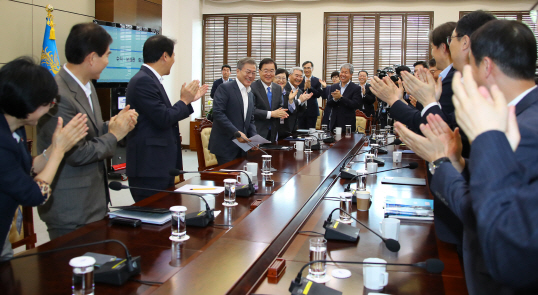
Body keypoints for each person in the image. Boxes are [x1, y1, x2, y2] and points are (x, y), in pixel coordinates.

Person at [395, 20, 538, 294]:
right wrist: (458, 161)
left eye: (467, 66)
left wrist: (443, 163)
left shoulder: (525, 129)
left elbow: (507, 233)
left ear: (485, 67)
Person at [37, 23, 138, 239]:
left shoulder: (87, 85)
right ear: (92, 58)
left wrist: (112, 124)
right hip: (71, 208)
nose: (108, 62)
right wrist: (114, 134)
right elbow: (76, 152)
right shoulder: (58, 95)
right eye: (107, 55)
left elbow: (89, 130)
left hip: (93, 202)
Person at [0, 57, 88, 259]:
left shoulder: (16, 127)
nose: (51, 108)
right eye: (48, 103)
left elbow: (25, 168)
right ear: (27, 102)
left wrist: (52, 150)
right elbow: (35, 195)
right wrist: (58, 151)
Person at [125, 35, 207, 202]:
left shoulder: (150, 79)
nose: (174, 60)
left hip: (159, 165)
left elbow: (163, 114)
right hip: (149, 167)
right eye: (173, 55)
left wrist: (188, 101)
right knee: (152, 215)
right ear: (165, 56)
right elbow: (163, 118)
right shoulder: (143, 81)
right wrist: (184, 101)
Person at [209, 57, 259, 165]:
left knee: (242, 178)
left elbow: (250, 119)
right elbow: (218, 113)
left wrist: (254, 138)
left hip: (242, 147)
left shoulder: (250, 94)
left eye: (253, 73)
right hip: (225, 145)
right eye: (248, 72)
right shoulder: (225, 88)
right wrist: (235, 133)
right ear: (238, 71)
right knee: (229, 179)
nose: (251, 76)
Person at [251, 58, 288, 142]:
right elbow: (251, 110)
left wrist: (281, 112)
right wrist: (271, 114)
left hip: (273, 132)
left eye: (271, 71)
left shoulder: (277, 87)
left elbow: (279, 105)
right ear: (259, 71)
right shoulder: (252, 87)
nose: (268, 74)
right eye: (265, 70)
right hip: (257, 132)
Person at [326, 63, 361, 131]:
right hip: (334, 123)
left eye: (346, 72)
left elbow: (355, 104)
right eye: (342, 72)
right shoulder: (334, 86)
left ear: (351, 74)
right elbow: (328, 104)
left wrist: (341, 98)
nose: (343, 75)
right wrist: (334, 99)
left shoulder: (356, 88)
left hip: (347, 123)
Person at [297, 61, 323, 129]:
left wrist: (310, 88)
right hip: (300, 111)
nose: (306, 70)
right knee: (300, 132)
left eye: (308, 68)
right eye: (304, 68)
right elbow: (296, 93)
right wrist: (304, 89)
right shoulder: (299, 80)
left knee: (311, 132)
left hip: (312, 111)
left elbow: (318, 95)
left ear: (312, 69)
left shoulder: (317, 80)